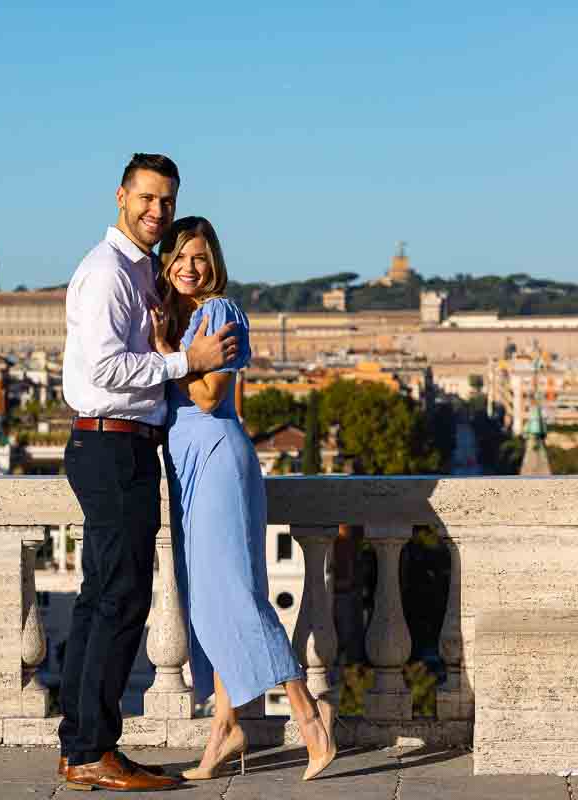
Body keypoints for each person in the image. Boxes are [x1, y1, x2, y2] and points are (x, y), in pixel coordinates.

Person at [60, 155, 238, 792]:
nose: (157, 212)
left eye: (166, 200)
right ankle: (94, 750)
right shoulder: (108, 272)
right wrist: (184, 360)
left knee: (99, 599)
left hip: (120, 445)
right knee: (120, 599)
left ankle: (79, 743)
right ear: (120, 197)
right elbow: (107, 371)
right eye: (147, 199)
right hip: (112, 444)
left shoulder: (140, 273)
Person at [149, 216, 337, 782]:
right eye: (179, 257)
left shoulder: (217, 314)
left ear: (215, 263)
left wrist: (165, 351)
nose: (189, 267)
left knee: (233, 593)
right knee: (208, 602)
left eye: (200, 257)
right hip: (186, 466)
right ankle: (224, 730)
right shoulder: (179, 319)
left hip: (218, 457)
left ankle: (309, 716)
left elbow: (207, 397)